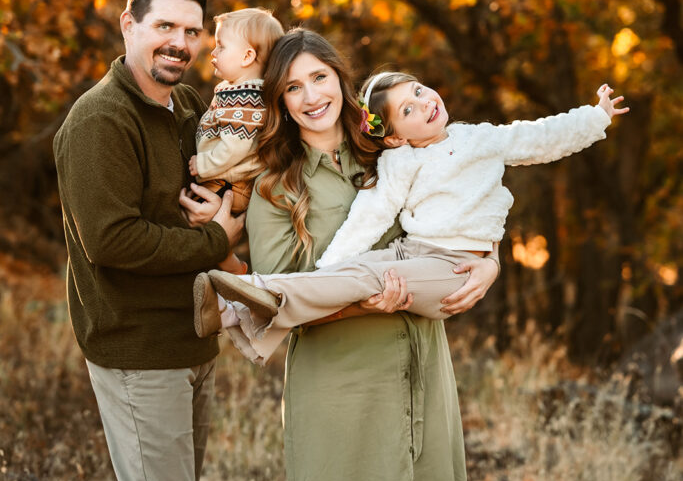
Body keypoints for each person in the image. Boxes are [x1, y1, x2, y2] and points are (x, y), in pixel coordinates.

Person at [202, 29, 500, 481]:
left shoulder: (392, 151)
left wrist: (490, 261)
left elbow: (460, 214)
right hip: (336, 377)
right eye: (293, 88)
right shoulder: (277, 183)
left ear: (341, 80)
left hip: (418, 361)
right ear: (280, 103)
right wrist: (371, 301)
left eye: (320, 78)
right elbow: (289, 296)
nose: (311, 96)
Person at [52, 0, 243, 481]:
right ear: (128, 24)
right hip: (136, 349)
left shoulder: (185, 104)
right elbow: (110, 240)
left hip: (191, 339)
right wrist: (215, 238)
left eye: (192, 31)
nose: (179, 42)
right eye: (165, 26)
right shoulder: (100, 121)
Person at [193, 73, 627, 364]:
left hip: (454, 266)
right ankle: (235, 313)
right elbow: (371, 215)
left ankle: (250, 295)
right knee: (361, 270)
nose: (423, 104)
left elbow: (541, 137)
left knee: (367, 280)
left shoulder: (481, 139)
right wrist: (333, 267)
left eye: (418, 92)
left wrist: (596, 116)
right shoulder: (400, 162)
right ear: (396, 135)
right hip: (411, 251)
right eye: (406, 110)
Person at [189, 6, 284, 212]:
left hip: (228, 187)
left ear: (247, 57)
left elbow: (234, 147)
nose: (213, 52)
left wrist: (204, 164)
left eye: (221, 47)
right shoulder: (238, 91)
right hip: (222, 182)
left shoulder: (245, 99)